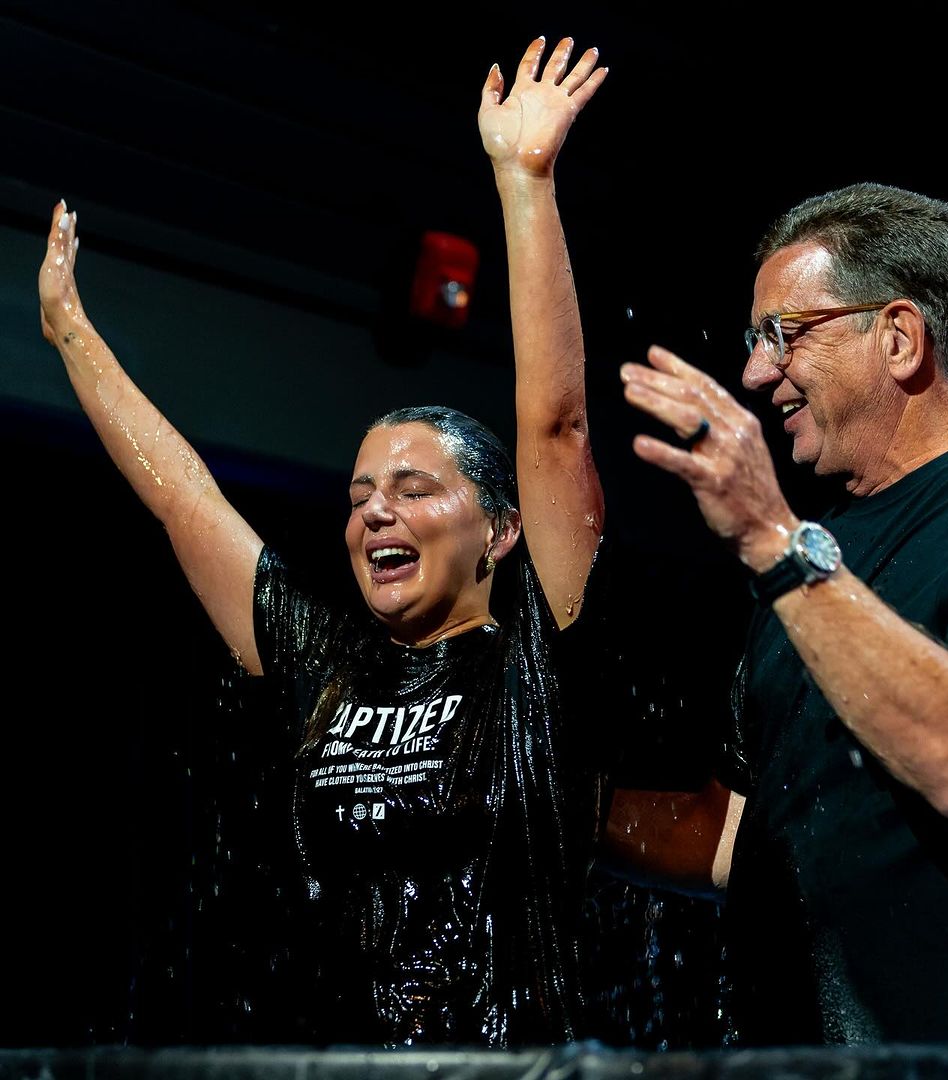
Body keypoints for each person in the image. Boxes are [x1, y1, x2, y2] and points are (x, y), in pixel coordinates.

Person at [37, 36, 614, 1048]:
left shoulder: (539, 653)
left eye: (413, 490)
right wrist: (70, 336)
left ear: (501, 528)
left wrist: (524, 182)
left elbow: (557, 427)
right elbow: (187, 503)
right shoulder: (326, 660)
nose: (374, 513)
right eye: (359, 497)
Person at [618, 182, 948, 1044]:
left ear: (898, 337)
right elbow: (737, 837)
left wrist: (772, 539)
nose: (757, 373)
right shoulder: (810, 556)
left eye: (784, 334)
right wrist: (544, 805)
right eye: (756, 341)